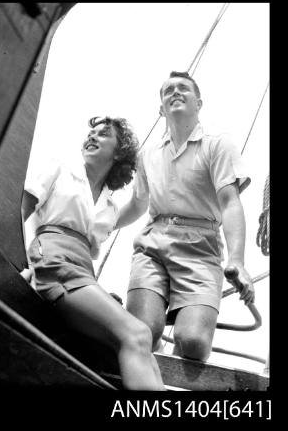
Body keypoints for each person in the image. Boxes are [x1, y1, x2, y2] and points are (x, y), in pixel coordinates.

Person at [116, 72, 255, 362]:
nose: (175, 92)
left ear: (199, 103)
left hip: (201, 248)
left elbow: (230, 203)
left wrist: (238, 261)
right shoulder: (149, 154)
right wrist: (101, 226)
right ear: (161, 108)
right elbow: (138, 204)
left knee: (192, 343)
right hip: (153, 245)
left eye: (183, 89)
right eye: (168, 90)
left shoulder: (217, 146)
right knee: (143, 333)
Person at [21, 116, 165, 390]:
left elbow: (138, 205)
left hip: (83, 273)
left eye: (103, 134)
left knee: (143, 341)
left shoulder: (109, 206)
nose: (92, 137)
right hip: (53, 259)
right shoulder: (61, 169)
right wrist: (23, 262)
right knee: (136, 333)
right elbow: (20, 208)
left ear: (119, 151)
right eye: (92, 133)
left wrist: (144, 161)